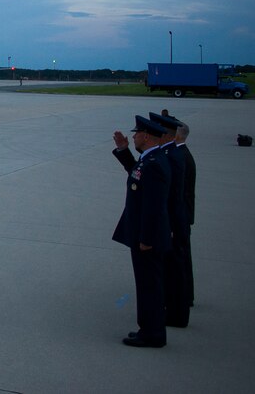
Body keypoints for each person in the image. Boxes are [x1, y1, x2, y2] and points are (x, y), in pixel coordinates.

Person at [111, 115, 172, 347]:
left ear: (146, 136)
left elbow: (154, 207)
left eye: (136, 134)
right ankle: (148, 328)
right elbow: (136, 173)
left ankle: (153, 334)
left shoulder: (155, 164)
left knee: (150, 286)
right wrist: (124, 150)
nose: (134, 136)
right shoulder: (151, 159)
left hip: (148, 238)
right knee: (147, 284)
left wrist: (146, 238)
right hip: (145, 235)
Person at [148, 111, 190, 328]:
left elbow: (169, 195)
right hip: (174, 220)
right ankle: (177, 310)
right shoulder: (172, 154)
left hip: (170, 221)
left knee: (173, 270)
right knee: (175, 269)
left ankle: (176, 314)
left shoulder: (171, 157)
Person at [174, 120, 196, 307]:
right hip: (184, 213)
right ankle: (186, 295)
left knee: (180, 258)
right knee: (183, 258)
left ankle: (184, 297)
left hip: (180, 215)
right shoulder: (182, 154)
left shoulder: (181, 156)